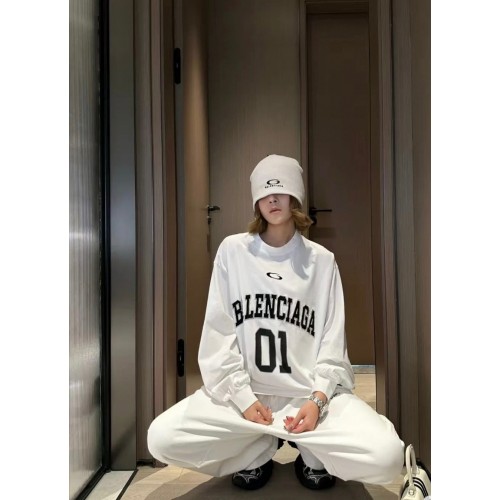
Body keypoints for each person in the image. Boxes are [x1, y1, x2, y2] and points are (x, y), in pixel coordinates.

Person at [148, 154, 404, 491]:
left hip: (305, 398)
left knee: (388, 455)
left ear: (295, 196)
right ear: (256, 200)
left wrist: (318, 401)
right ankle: (256, 449)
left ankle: (310, 452)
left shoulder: (321, 261)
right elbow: (219, 334)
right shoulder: (232, 252)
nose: (272, 199)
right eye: (265, 192)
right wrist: (243, 399)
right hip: (249, 398)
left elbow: (332, 343)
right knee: (161, 438)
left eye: (281, 190)